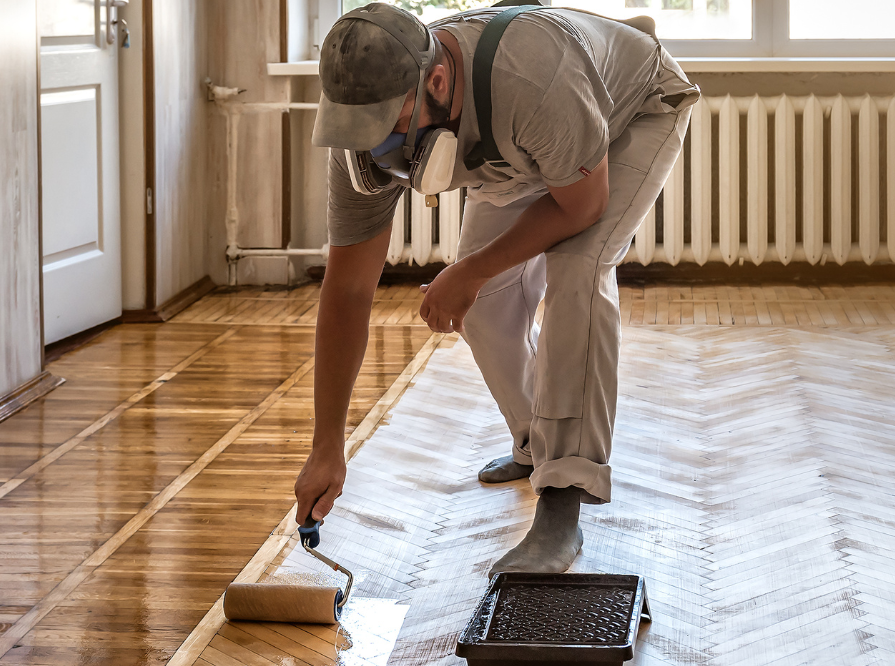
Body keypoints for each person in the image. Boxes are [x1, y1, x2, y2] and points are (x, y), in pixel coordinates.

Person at [293, 1, 698, 574]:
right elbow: (349, 292)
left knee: (579, 272)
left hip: (629, 111)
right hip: (517, 145)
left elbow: (582, 206)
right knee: (481, 306)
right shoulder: (359, 134)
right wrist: (326, 444)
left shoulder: (532, 76)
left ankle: (563, 501)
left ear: (436, 79)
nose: (378, 148)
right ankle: (537, 443)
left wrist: (470, 268)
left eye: (392, 125)